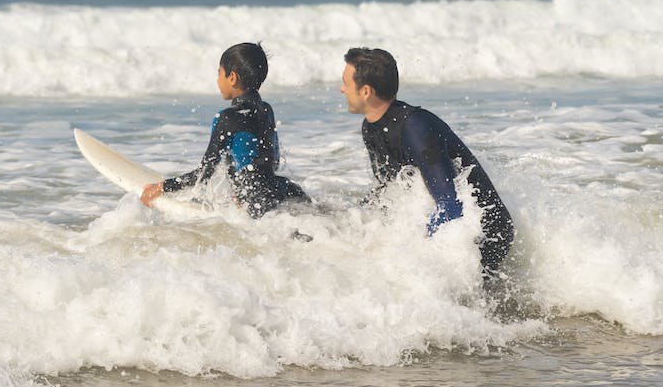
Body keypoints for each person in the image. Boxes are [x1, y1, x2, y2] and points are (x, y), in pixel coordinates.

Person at [340, 47, 514, 279]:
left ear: (366, 91)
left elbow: (450, 203)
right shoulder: (371, 128)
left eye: (345, 83)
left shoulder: (416, 127)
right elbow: (390, 192)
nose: (342, 89)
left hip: (487, 231)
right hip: (452, 222)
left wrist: (419, 249)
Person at [141, 42, 309, 218]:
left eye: (219, 73)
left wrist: (162, 187)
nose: (217, 80)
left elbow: (203, 175)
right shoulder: (266, 109)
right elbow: (270, 162)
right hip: (284, 190)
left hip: (256, 203)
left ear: (232, 78)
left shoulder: (227, 118)